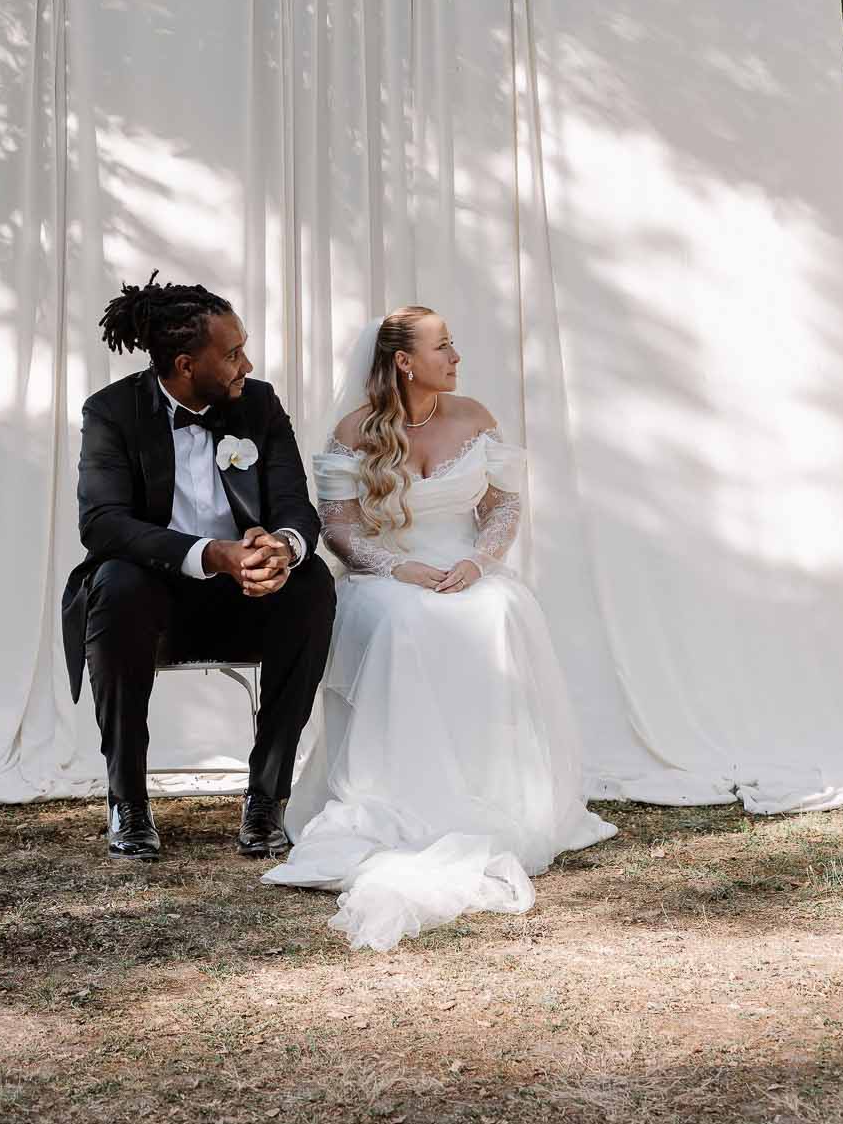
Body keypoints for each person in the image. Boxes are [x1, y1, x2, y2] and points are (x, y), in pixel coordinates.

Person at [262, 305, 616, 950]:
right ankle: (399, 794)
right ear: (404, 361)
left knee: (503, 609)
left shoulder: (474, 417)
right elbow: (337, 526)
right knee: (403, 619)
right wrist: (399, 567)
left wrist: (478, 561)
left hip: (465, 568)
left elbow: (503, 504)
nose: (455, 359)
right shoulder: (354, 430)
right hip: (387, 578)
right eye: (443, 348)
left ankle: (499, 790)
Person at [60, 273, 336, 863]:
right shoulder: (113, 412)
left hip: (247, 601)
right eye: (232, 353)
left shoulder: (258, 403)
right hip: (151, 608)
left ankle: (267, 801)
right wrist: (211, 554)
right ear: (186, 364)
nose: (247, 362)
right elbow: (102, 524)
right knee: (115, 580)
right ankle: (128, 801)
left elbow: (294, 503)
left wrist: (281, 548)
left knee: (312, 584)